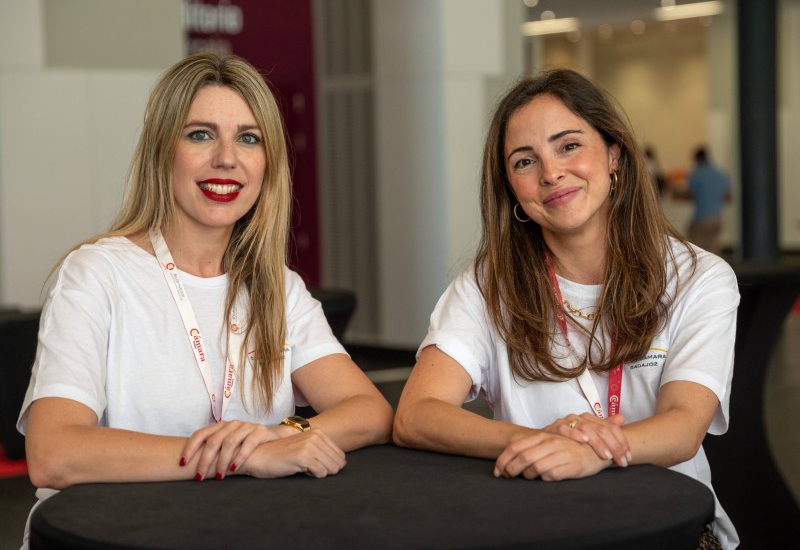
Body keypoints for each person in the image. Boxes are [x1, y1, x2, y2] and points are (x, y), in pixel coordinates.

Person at [17, 53, 393, 546]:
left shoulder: (277, 286)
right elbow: (54, 453)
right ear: (161, 151)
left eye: (248, 138)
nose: (226, 158)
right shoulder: (97, 274)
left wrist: (281, 434)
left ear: (267, 163)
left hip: (235, 531)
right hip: (107, 535)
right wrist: (243, 456)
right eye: (200, 134)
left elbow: (369, 410)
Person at [393, 70, 738, 548]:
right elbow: (416, 414)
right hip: (542, 525)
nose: (550, 173)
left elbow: (682, 426)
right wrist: (531, 441)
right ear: (511, 189)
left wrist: (594, 451)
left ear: (613, 154)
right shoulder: (485, 285)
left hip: (669, 523)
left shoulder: (699, 277)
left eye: (569, 145)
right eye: (524, 161)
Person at [674, 146, 732, 254]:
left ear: (697, 159)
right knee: (713, 250)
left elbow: (689, 194)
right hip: (717, 218)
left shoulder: (697, 173)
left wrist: (675, 192)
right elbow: (728, 197)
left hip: (702, 218)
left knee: (696, 250)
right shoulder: (720, 174)